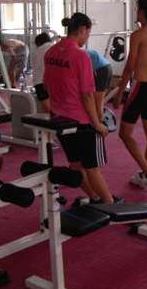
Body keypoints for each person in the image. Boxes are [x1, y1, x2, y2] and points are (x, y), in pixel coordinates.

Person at [44, 13, 117, 204]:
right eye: (88, 34)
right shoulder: (80, 56)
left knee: (75, 164)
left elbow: (46, 85)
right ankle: (110, 205)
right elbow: (87, 96)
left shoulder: (50, 52)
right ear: (83, 30)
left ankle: (93, 197)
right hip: (81, 121)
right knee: (92, 167)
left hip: (59, 118)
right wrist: (97, 123)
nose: (87, 38)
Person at [113, 0, 147, 191]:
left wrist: (119, 93)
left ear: (142, 11)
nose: (136, 11)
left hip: (140, 86)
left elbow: (129, 67)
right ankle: (145, 175)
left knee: (125, 133)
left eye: (137, 8)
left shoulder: (138, 35)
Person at [86, 48, 112, 122]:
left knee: (98, 102)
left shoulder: (79, 54)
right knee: (97, 100)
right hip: (106, 67)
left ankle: (99, 125)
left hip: (103, 70)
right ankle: (98, 121)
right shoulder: (81, 52)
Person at [32, 32, 54, 113]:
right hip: (51, 81)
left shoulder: (35, 52)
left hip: (39, 83)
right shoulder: (54, 47)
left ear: (38, 43)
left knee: (48, 110)